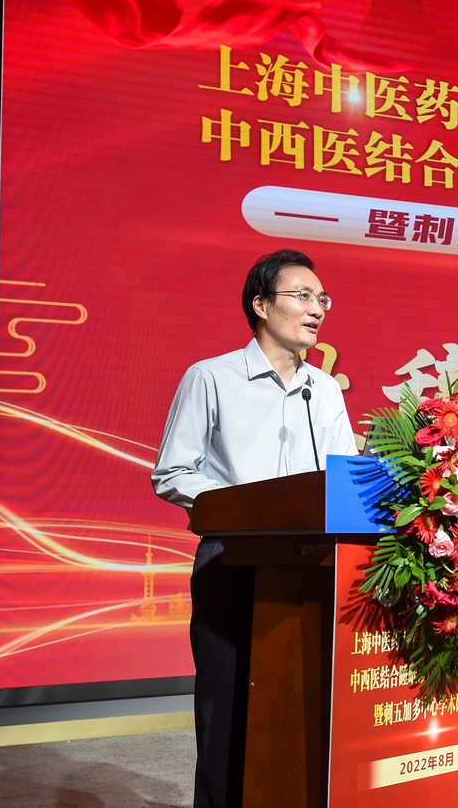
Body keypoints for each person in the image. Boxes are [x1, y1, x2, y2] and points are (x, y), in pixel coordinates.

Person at [151, 248, 357, 808]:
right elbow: (173, 472)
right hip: (232, 558)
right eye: (302, 296)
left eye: (322, 298)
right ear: (261, 305)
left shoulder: (324, 390)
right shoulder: (211, 378)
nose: (316, 309)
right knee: (226, 705)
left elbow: (343, 480)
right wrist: (243, 508)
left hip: (311, 566)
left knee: (300, 704)